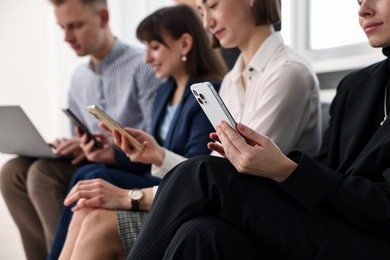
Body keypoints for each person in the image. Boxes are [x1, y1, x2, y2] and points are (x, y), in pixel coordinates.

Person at [55, 0, 323, 258]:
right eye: (201, 10)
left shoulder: (287, 73)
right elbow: (213, 169)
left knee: (99, 223)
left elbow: (234, 180)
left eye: (213, 5)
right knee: (91, 215)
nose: (206, 21)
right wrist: (157, 156)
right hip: (226, 202)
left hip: (261, 216)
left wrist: (132, 197)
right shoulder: (232, 79)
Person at [128, 0, 390, 259]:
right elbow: (328, 167)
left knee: (202, 173)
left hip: (365, 240)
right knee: (199, 232)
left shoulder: (289, 72)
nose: (362, 9)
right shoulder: (355, 87)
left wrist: (287, 170)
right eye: (359, 0)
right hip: (324, 221)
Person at [46, 4, 227, 259]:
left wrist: (156, 155)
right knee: (88, 185)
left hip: (173, 187)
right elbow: (151, 160)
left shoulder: (205, 94)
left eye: (155, 47)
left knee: (91, 176)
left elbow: (198, 170)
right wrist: (116, 154)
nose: (146, 57)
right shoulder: (166, 91)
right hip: (158, 178)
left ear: (185, 45)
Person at [0, 0, 161, 259]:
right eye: (62, 27)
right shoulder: (78, 78)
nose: (66, 37)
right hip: (91, 159)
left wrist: (108, 146)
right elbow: (81, 134)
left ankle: (65, 253)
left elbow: (155, 139)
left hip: (128, 165)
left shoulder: (143, 67)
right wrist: (73, 145)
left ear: (104, 18)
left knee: (42, 174)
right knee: (12, 172)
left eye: (75, 26)